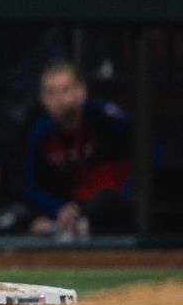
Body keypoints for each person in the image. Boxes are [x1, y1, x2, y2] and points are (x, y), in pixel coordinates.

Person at [24, 60, 132, 238]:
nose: (59, 99)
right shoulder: (40, 131)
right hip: (68, 209)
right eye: (51, 92)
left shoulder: (105, 118)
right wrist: (58, 209)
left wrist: (129, 194)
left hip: (111, 208)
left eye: (65, 90)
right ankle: (63, 228)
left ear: (81, 91)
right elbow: (30, 186)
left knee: (106, 203)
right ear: (42, 98)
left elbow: (150, 151)